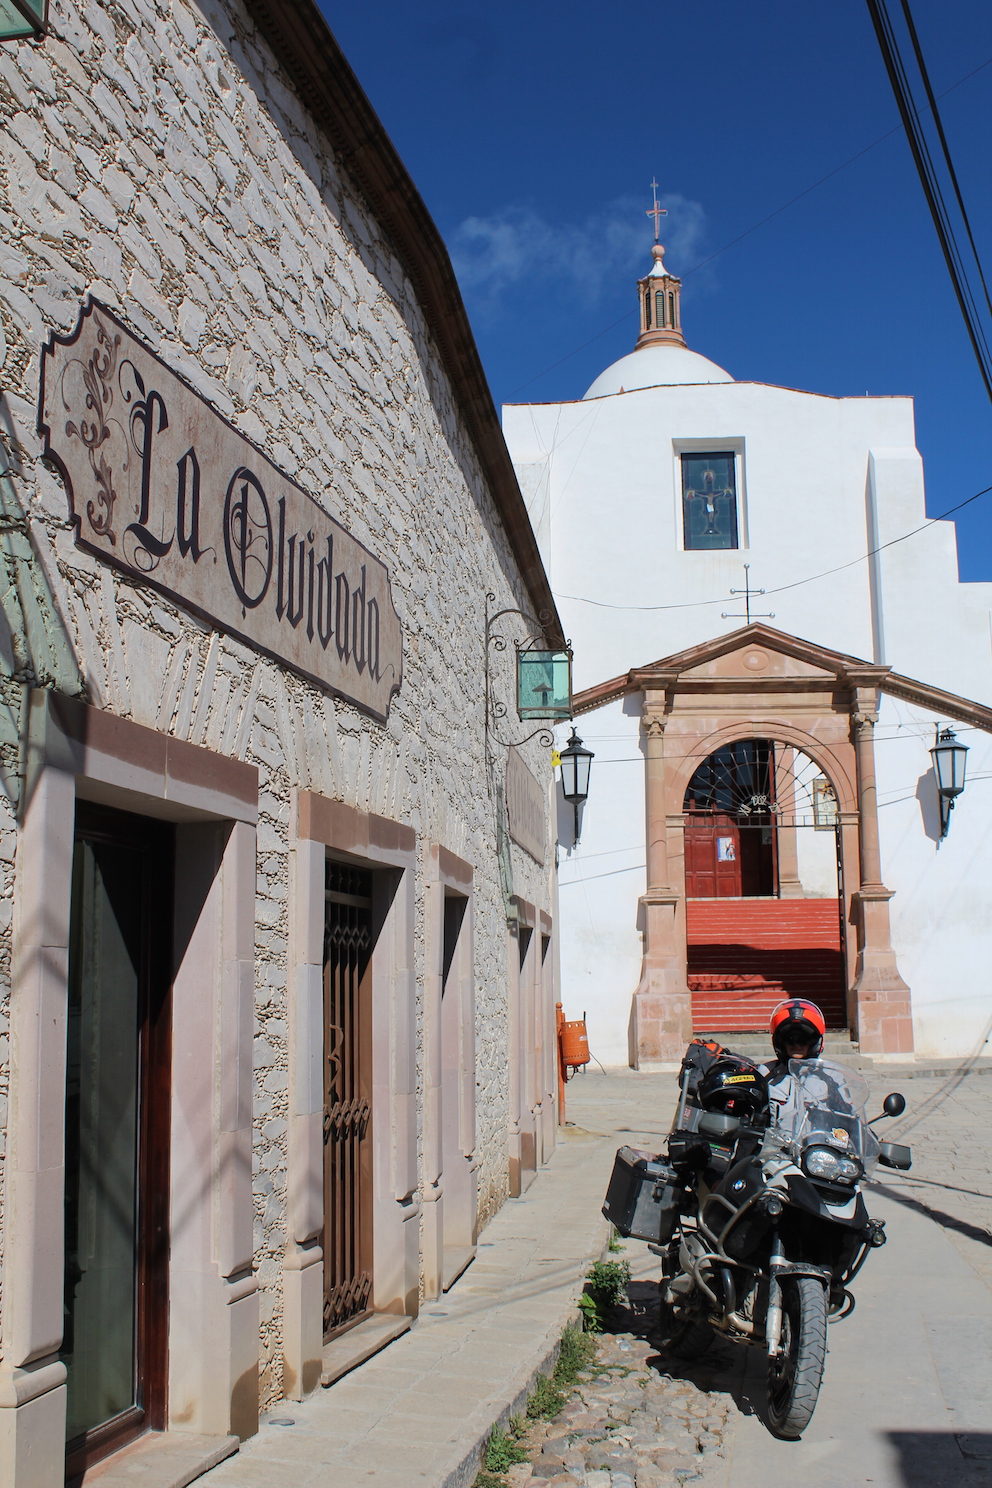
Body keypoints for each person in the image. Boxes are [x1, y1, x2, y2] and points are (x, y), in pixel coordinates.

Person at [760, 997, 827, 1132]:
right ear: (780, 1042)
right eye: (790, 1039)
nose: (796, 1045)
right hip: (774, 1150)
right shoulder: (764, 1074)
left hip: (819, 1149)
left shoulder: (831, 1077)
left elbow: (851, 1116)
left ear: (814, 1042)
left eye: (803, 1039)